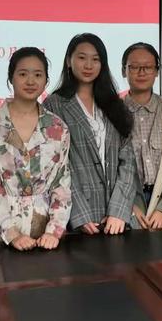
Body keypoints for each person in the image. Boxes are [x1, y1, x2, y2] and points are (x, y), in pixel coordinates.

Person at [0, 47, 71, 250]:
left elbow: (62, 184)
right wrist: (12, 234)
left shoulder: (57, 127)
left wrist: (53, 231)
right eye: (22, 74)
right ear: (11, 78)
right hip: (3, 233)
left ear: (46, 80)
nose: (30, 81)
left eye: (38, 75)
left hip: (47, 237)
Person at [43, 33, 136, 235]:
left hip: (116, 219)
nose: (88, 65)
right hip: (79, 218)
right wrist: (80, 214)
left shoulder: (114, 104)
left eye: (95, 59)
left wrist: (119, 211)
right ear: (69, 61)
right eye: (81, 57)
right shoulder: (54, 105)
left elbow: (128, 161)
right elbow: (57, 166)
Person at [121, 42, 162, 230]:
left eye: (148, 67)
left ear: (157, 71)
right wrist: (128, 206)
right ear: (124, 71)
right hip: (128, 203)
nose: (141, 72)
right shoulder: (113, 112)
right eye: (134, 67)